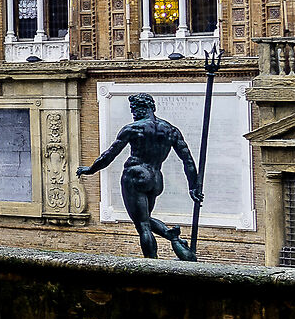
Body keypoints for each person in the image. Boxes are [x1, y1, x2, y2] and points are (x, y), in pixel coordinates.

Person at [78, 93, 202, 261]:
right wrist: (193, 187)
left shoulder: (133, 128)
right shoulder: (171, 130)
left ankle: (152, 262)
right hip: (156, 178)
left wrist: (90, 169)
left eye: (133, 109)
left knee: (142, 225)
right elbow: (188, 160)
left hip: (135, 175)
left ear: (139, 108)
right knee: (144, 218)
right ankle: (171, 236)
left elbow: (109, 155)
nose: (133, 113)